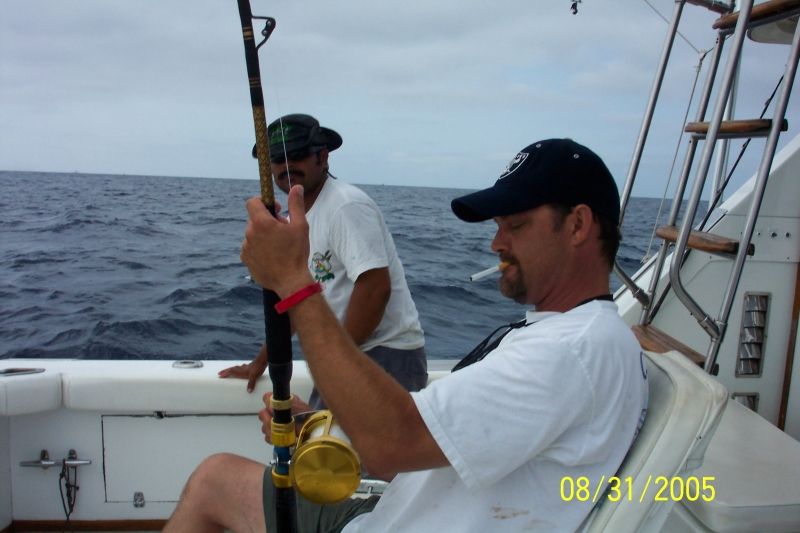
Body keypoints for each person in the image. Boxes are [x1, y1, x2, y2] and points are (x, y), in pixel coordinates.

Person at [165, 138, 649, 532]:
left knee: (213, 481)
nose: (496, 242)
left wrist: (293, 283)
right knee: (216, 479)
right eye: (499, 225)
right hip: (389, 512)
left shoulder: (574, 350)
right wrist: (322, 422)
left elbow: (394, 443)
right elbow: (430, 447)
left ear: (579, 225)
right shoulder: (568, 336)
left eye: (516, 225)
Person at [219, 113, 427, 409]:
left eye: (298, 155)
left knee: (332, 452)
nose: (286, 167)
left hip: (385, 355)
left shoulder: (345, 205)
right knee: (321, 446)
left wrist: (334, 360)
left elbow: (375, 289)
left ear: (323, 157)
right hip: (350, 353)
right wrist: (261, 361)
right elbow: (297, 302)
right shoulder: (298, 221)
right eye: (276, 159)